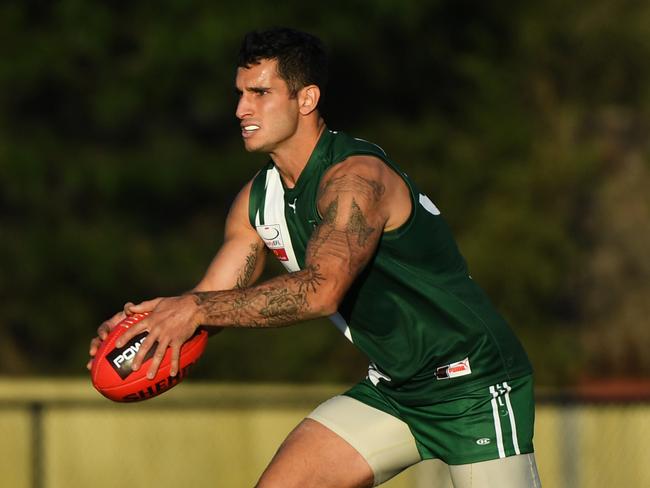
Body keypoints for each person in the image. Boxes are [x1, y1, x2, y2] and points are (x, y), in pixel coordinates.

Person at [87, 27, 541, 488]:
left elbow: (320, 291)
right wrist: (149, 329)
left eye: (260, 93)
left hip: (473, 385)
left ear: (306, 99)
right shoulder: (255, 202)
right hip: (395, 389)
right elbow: (213, 299)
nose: (241, 109)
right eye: (240, 94)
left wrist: (194, 310)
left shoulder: (357, 179)